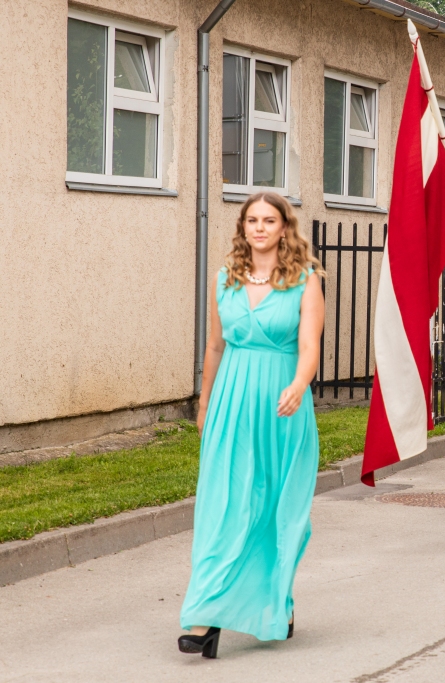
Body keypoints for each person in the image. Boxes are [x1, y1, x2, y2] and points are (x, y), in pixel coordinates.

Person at [179, 192, 325, 657]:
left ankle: (276, 601)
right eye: (252, 220)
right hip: (231, 402)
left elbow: (309, 347)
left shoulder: (305, 280)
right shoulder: (225, 278)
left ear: (285, 227)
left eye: (269, 220)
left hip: (282, 403)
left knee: (275, 509)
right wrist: (204, 405)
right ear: (242, 227)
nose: (259, 227)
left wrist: (300, 384)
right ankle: (205, 613)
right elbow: (215, 348)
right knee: (223, 507)